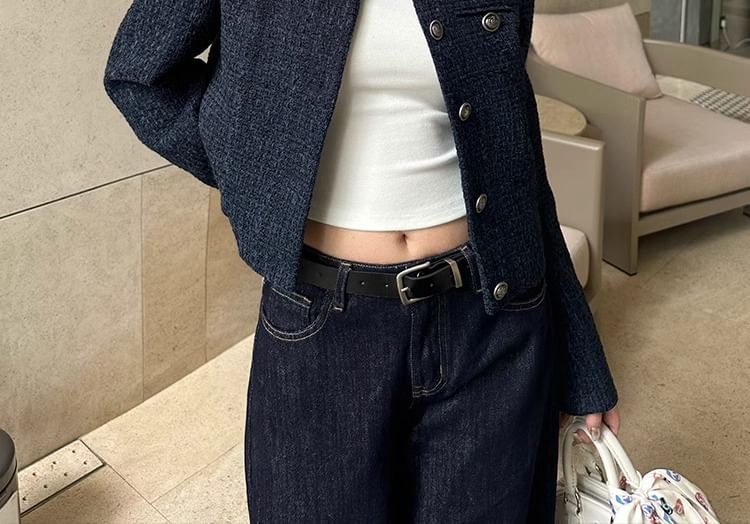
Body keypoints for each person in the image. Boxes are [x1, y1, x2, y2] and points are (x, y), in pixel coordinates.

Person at [103, 0, 621, 521]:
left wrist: (582, 360)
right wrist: (258, 176)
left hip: (493, 321)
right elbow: (139, 73)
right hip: (321, 327)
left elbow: (517, 154)